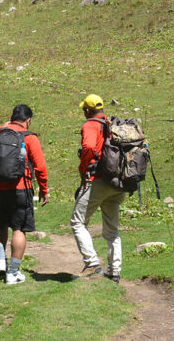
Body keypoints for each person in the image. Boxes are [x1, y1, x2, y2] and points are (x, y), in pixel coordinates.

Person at [0, 104, 48, 285]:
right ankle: (13, 272)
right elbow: (40, 166)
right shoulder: (29, 137)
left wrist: (2, 129)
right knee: (19, 229)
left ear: (11, 117)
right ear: (28, 120)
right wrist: (43, 189)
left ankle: (1, 260)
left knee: (1, 224)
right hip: (21, 187)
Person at [71, 94, 126, 283]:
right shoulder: (112, 124)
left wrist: (85, 169)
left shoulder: (90, 125)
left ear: (88, 110)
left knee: (78, 222)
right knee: (112, 228)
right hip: (119, 182)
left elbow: (87, 147)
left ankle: (92, 263)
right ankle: (114, 271)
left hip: (99, 180)